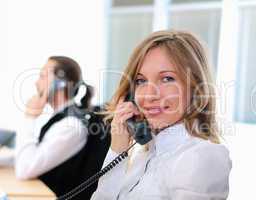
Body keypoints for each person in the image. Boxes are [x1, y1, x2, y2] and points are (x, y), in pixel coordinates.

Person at [91, 30, 232, 200]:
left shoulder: (201, 156)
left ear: (196, 88)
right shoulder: (146, 154)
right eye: (141, 81)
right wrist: (117, 150)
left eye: (167, 79)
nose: (149, 95)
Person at [15, 56, 110, 199]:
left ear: (60, 84)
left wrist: (29, 118)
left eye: (42, 76)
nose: (36, 83)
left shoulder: (70, 126)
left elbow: (24, 169)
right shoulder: (62, 118)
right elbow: (33, 153)